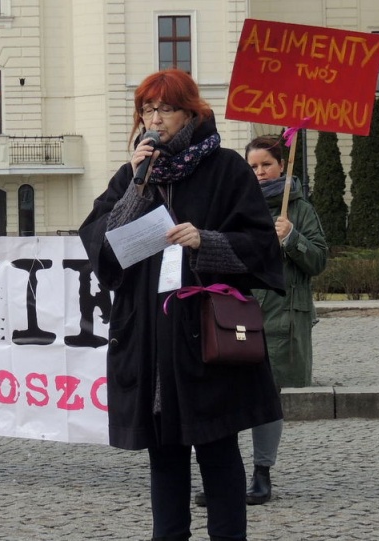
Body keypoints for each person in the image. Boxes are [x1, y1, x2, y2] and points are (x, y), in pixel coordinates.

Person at [79, 68, 285, 541]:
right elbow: (102, 249)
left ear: (190, 111)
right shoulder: (133, 174)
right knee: (164, 451)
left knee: (217, 449)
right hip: (151, 338)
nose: (155, 119)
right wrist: (135, 185)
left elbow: (261, 248)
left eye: (165, 109)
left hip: (207, 335)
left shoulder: (228, 168)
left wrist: (205, 241)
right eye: (147, 109)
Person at [242, 136, 328, 504]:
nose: (260, 173)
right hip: (238, 314)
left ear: (281, 165)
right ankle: (225, 476)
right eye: (253, 167)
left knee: (267, 397)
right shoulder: (238, 205)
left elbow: (319, 261)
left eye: (266, 165)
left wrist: (292, 237)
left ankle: (262, 473)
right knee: (225, 394)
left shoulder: (301, 209)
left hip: (280, 318)